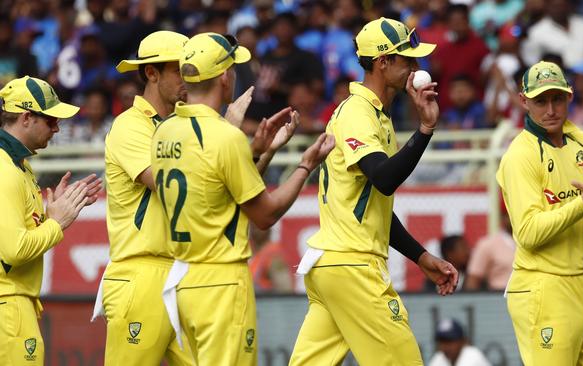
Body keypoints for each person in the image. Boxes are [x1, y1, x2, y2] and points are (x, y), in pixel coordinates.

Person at [151, 32, 334, 365]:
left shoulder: (164, 131)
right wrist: (306, 165)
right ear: (224, 77)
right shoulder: (225, 136)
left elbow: (218, 189)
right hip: (221, 282)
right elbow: (265, 215)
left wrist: (263, 151)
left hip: (183, 281)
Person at [289, 18, 458, 366]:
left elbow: (373, 204)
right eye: (406, 58)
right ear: (383, 62)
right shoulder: (358, 112)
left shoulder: (375, 115)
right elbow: (383, 178)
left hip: (334, 265)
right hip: (353, 265)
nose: (415, 66)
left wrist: (421, 256)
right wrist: (426, 128)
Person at [497, 60, 583, 365]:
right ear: (524, 102)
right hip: (542, 288)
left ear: (569, 97)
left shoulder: (582, 141)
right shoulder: (520, 156)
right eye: (540, 101)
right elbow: (529, 233)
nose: (550, 109)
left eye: (557, 99)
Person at [95, 30, 196, 366]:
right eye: (180, 70)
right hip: (142, 273)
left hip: (181, 272)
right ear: (151, 73)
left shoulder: (182, 125)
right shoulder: (130, 126)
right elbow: (171, 184)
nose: (189, 80)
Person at [0, 76, 100, 365]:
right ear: (27, 117)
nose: (57, 128)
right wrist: (57, 222)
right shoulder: (7, 170)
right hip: (9, 308)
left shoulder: (20, 166)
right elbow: (14, 251)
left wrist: (47, 217)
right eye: (50, 120)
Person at [465, 206, 515, 291]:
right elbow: (473, 280)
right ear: (502, 217)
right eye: (510, 214)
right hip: (499, 297)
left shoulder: (535, 240)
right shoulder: (488, 244)